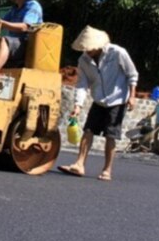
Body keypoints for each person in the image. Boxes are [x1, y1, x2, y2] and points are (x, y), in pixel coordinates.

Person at [58, 26, 138, 182]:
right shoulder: (83, 60)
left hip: (117, 100)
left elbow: (132, 74)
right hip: (98, 99)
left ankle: (107, 170)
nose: (87, 51)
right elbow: (82, 84)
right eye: (85, 48)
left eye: (90, 48)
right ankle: (79, 164)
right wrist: (77, 106)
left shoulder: (117, 53)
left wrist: (132, 96)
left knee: (111, 135)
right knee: (88, 130)